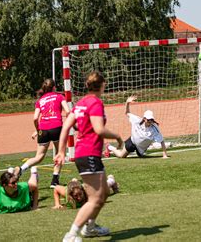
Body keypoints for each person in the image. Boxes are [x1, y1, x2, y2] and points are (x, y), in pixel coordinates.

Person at [54, 71, 123, 241]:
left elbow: (65, 127)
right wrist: (118, 137)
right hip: (89, 153)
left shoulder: (80, 104)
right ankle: (71, 235)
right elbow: (99, 129)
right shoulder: (95, 103)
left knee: (105, 192)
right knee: (95, 199)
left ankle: (90, 227)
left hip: (86, 154)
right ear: (102, 85)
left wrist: (61, 151)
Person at [19, 78, 70, 188]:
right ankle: (54, 180)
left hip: (43, 130)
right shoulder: (60, 96)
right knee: (59, 154)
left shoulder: (40, 101)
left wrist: (38, 130)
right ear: (54, 87)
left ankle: (20, 170)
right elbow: (68, 111)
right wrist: (67, 124)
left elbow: (35, 118)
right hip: (57, 127)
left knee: (39, 157)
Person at [52, 175, 120, 210]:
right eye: (75, 196)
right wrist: (57, 204)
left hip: (90, 187)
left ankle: (111, 180)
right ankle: (74, 181)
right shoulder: (66, 192)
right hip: (77, 186)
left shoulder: (86, 190)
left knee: (102, 188)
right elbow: (56, 188)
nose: (79, 197)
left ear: (82, 191)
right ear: (71, 195)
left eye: (80, 194)